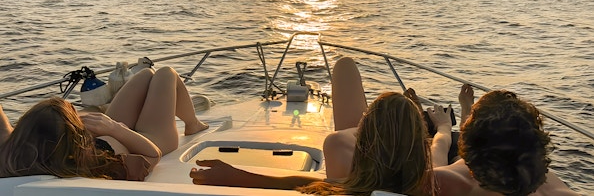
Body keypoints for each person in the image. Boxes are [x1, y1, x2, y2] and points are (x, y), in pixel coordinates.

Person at [190, 57, 453, 195]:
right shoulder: (432, 178)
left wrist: (236, 176)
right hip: (389, 154)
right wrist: (442, 126)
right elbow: (442, 143)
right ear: (419, 143)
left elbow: (299, 181)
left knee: (344, 67)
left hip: (359, 155)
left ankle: (392, 122)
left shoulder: (350, 183)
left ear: (366, 136)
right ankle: (396, 123)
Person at [0, 66, 209, 181]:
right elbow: (153, 154)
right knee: (165, 74)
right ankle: (193, 124)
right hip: (147, 138)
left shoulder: (12, 152)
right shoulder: (99, 162)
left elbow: (4, 130)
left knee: (145, 75)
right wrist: (114, 128)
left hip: (105, 131)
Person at [434, 86, 579, 196]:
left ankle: (466, 118)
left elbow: (436, 154)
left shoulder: (445, 180)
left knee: (457, 156)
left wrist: (443, 127)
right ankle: (467, 116)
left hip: (469, 169)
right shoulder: (556, 190)